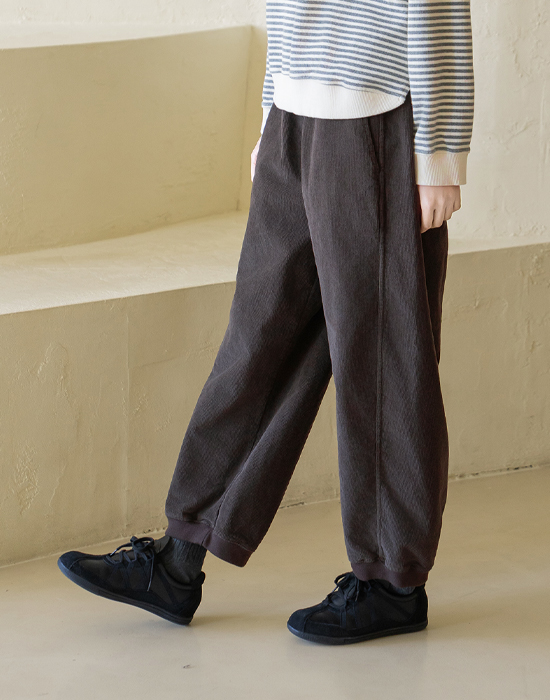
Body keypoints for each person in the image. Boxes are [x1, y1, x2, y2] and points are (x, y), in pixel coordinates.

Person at [58, 0, 474, 645]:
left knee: (384, 357)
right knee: (259, 339)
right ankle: (179, 558)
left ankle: (393, 582)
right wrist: (272, 108)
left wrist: (439, 150)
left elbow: (439, 13)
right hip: (294, 118)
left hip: (376, 114)